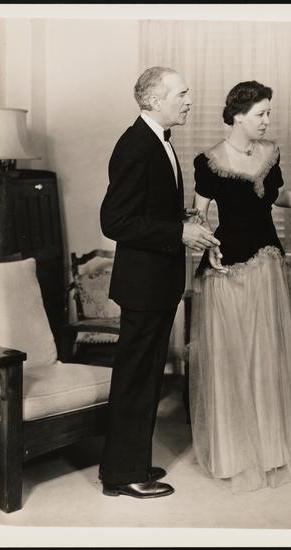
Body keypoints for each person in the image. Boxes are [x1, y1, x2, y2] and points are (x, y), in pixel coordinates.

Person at [188, 80, 291, 492]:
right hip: (228, 269)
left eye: (269, 113)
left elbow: (277, 196)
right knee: (233, 360)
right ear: (238, 116)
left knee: (268, 357)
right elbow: (198, 216)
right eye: (261, 114)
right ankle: (235, 454)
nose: (267, 120)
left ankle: (273, 449)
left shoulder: (270, 153)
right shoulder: (208, 161)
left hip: (268, 262)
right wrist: (207, 244)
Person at [99, 66, 220, 499]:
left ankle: (128, 464)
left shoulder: (157, 141)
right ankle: (122, 474)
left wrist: (183, 221)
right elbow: (114, 221)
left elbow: (147, 211)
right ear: (153, 100)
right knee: (136, 379)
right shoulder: (136, 145)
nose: (189, 101)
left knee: (145, 377)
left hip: (156, 282)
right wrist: (178, 233)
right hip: (143, 285)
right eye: (181, 94)